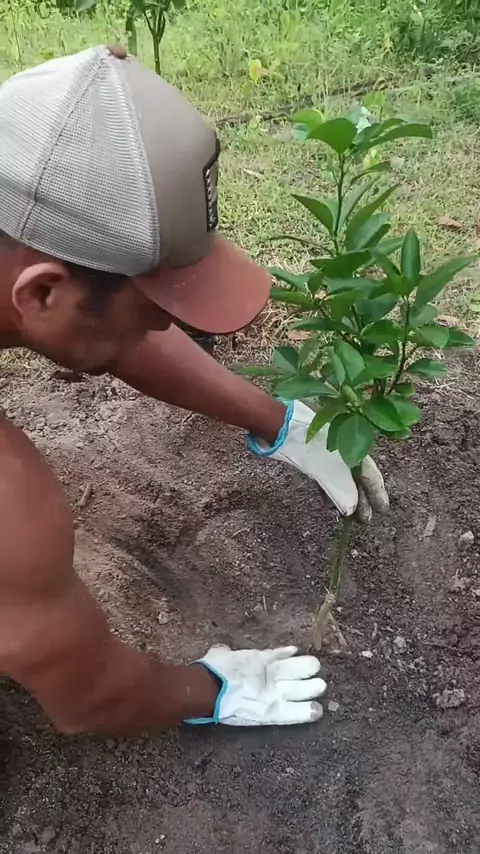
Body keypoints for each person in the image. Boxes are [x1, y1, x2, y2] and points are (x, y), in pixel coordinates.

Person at [0, 45, 388, 735]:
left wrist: (278, 420)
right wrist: (208, 689)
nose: (168, 324)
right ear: (44, 294)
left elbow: (111, 330)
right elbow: (89, 698)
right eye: (155, 306)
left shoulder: (30, 269)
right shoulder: (13, 508)